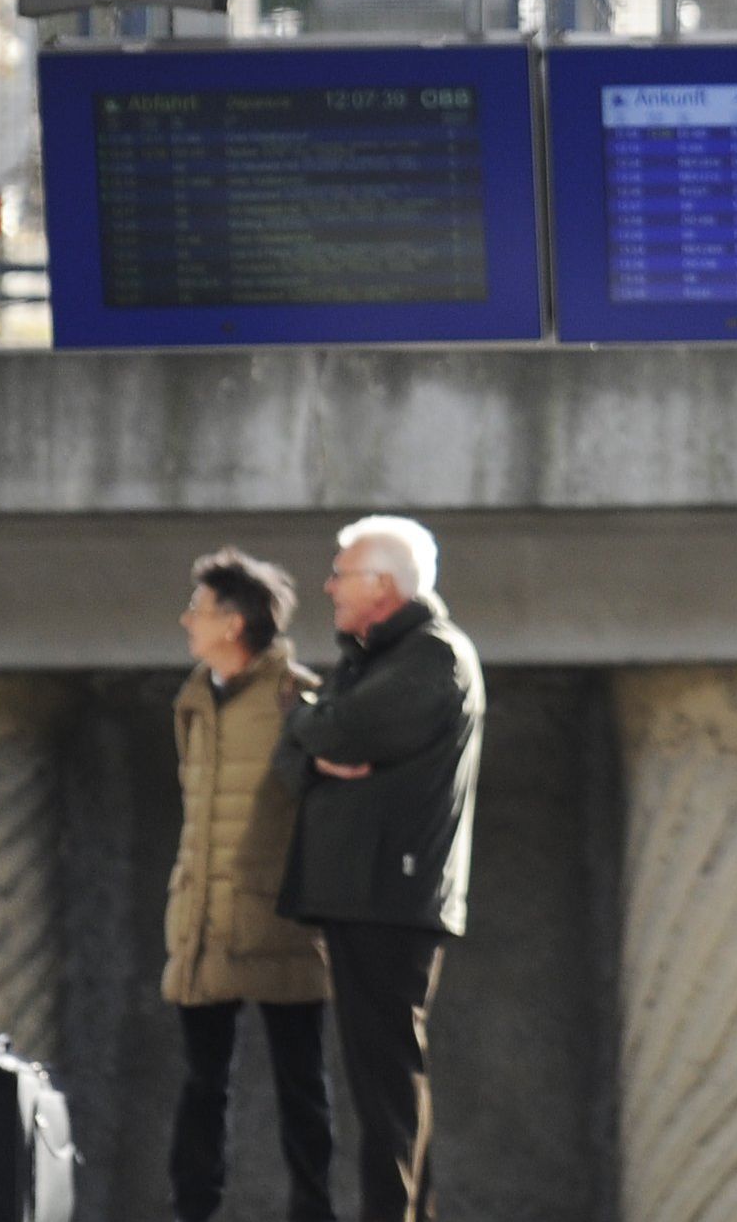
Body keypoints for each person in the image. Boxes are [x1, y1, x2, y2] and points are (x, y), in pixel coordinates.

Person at [276, 516, 486, 1222]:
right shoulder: (372, 660)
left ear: (384, 586)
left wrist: (311, 722)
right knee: (383, 1084)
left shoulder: (432, 658)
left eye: (342, 573)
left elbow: (332, 729)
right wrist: (313, 733)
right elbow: (297, 755)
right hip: (361, 892)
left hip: (388, 895)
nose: (329, 586)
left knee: (389, 1086)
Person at [167, 548, 336, 1222]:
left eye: (199, 609)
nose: (186, 619)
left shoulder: (300, 697)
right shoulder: (192, 701)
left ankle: (314, 1212)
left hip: (280, 922)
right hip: (203, 920)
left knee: (301, 1084)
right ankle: (191, 1211)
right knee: (201, 1082)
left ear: (233, 623)